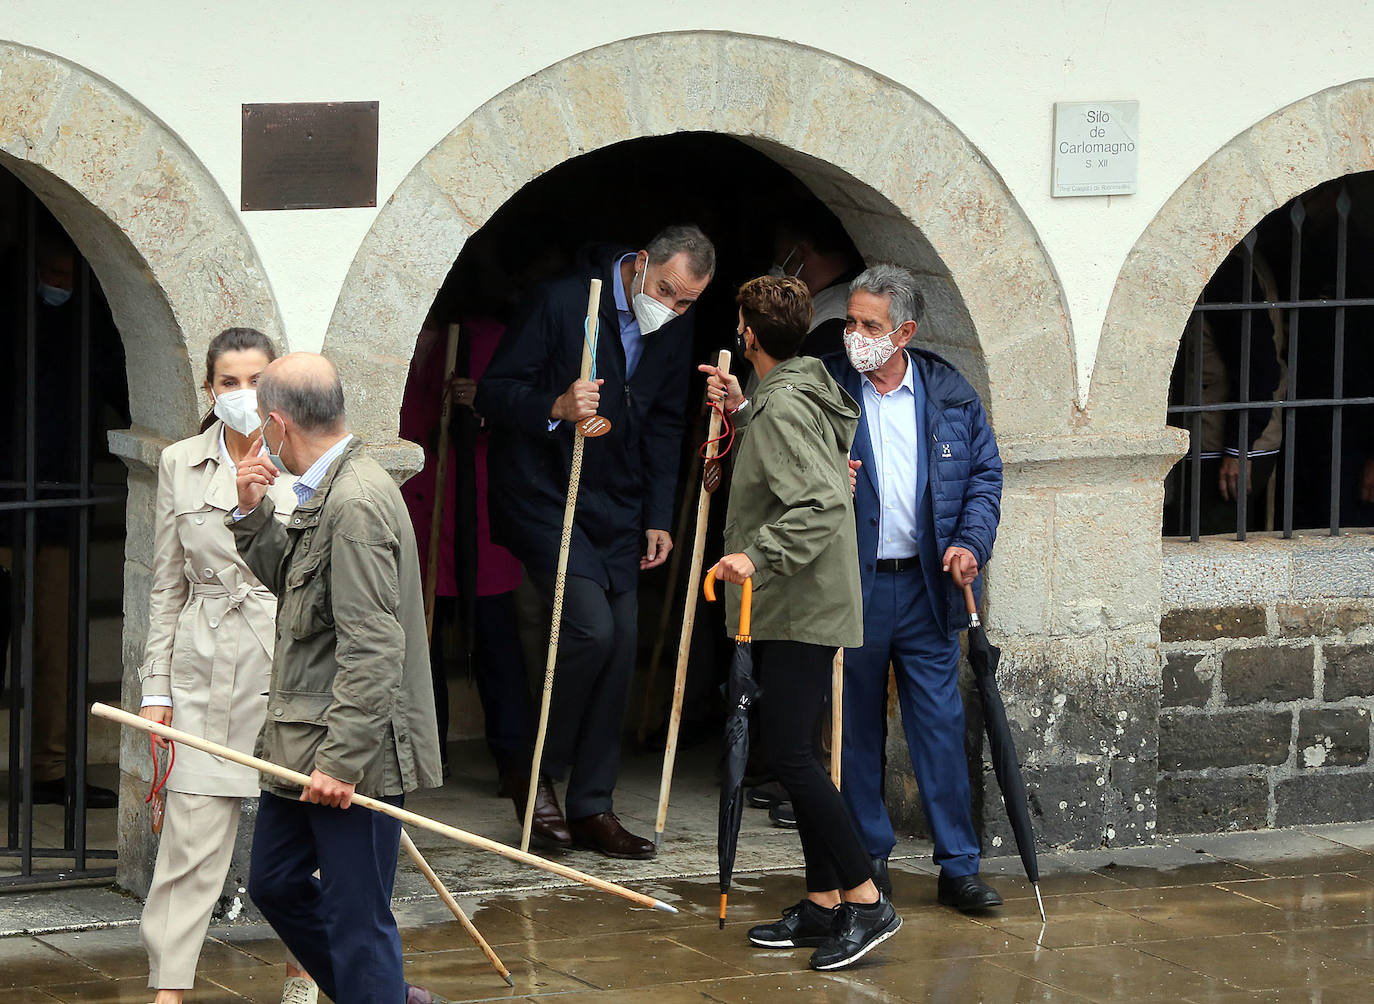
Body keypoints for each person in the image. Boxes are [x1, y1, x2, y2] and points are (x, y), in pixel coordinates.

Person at [476, 224, 714, 859]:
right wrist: (555, 403)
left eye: (689, 300)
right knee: (589, 630)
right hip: (546, 492)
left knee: (622, 644)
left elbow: (665, 422)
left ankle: (592, 805)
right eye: (666, 290)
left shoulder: (675, 326)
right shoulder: (562, 302)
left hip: (619, 504)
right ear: (640, 264)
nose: (673, 306)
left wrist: (659, 515)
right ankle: (537, 773)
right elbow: (495, 393)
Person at [229, 353, 443, 1004]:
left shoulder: (355, 502)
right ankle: (378, 994)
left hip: (350, 754)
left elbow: (374, 645)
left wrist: (345, 762)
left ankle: (375, 992)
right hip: (305, 742)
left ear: (276, 422)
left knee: (357, 918)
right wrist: (251, 514)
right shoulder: (328, 488)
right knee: (275, 882)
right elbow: (302, 596)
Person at [704, 275, 899, 971]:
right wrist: (743, 407)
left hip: (797, 604)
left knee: (790, 757)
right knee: (798, 756)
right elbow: (804, 459)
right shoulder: (792, 389)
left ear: (747, 335)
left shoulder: (784, 403)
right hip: (803, 602)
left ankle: (866, 899)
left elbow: (818, 504)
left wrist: (753, 557)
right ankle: (822, 903)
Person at [135, 329, 317, 1004]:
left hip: (287, 666)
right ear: (209, 391)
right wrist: (157, 690)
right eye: (228, 382)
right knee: (189, 840)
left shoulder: (308, 456)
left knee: (305, 838)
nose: (242, 395)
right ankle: (170, 988)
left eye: (256, 380)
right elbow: (167, 585)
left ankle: (304, 975)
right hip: (202, 667)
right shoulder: (182, 461)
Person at [819, 263, 1004, 913]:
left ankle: (959, 864)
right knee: (855, 730)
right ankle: (869, 857)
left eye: (869, 325)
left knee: (939, 728)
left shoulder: (948, 392)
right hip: (854, 586)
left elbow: (984, 477)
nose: (854, 335)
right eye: (850, 321)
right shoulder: (827, 389)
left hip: (927, 588)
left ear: (905, 332)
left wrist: (969, 544)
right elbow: (776, 455)